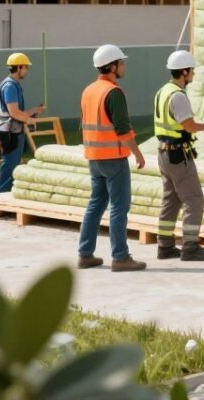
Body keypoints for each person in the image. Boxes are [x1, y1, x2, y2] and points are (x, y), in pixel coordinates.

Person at [77, 44, 148, 273]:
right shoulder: (113, 92)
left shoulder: (88, 90)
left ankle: (85, 254)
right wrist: (137, 153)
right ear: (112, 66)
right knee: (119, 207)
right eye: (121, 63)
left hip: (94, 158)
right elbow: (123, 128)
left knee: (95, 204)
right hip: (114, 159)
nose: (124, 66)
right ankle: (120, 257)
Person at [153, 50, 204, 262]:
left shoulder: (163, 91)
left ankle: (165, 246)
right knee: (194, 199)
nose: (193, 75)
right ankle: (190, 246)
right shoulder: (178, 96)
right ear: (184, 72)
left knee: (171, 199)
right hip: (178, 155)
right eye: (192, 71)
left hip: (163, 153)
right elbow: (187, 124)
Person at [0, 52, 42, 193]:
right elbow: (14, 112)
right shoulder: (10, 86)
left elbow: (16, 111)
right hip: (10, 134)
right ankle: (1, 199)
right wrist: (29, 120)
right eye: (26, 67)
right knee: (10, 168)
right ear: (19, 67)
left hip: (13, 132)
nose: (27, 70)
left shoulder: (12, 85)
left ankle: (5, 199)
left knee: (13, 166)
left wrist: (34, 110)